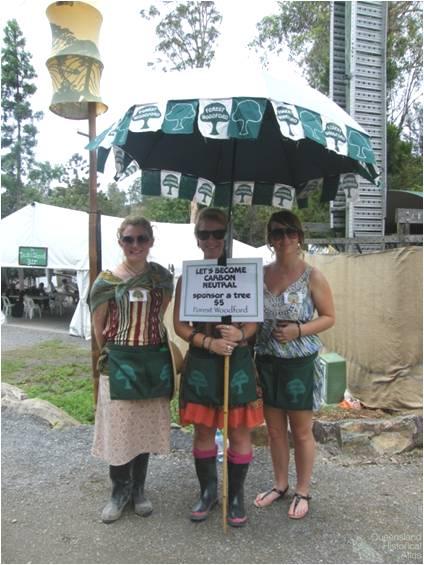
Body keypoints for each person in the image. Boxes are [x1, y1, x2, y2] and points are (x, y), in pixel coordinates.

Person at [173, 208, 263, 527]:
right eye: (204, 234)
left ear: (226, 235)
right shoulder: (188, 278)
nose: (210, 239)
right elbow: (180, 326)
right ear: (197, 238)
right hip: (202, 359)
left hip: (235, 359)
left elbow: (253, 320)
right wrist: (208, 342)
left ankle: (235, 496)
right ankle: (208, 491)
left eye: (216, 233)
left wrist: (241, 333)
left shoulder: (246, 274)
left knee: (238, 430)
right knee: (203, 430)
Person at [89, 215, 175, 524]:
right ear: (120, 242)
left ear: (151, 241)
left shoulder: (162, 279)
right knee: (119, 431)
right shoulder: (106, 282)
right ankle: (118, 491)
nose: (135, 245)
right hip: (120, 363)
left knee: (143, 430)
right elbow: (98, 328)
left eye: (141, 238)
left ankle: (139, 489)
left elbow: (161, 314)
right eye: (129, 239)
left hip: (153, 360)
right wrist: (120, 350)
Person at [253, 210, 335, 519]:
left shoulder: (312, 276)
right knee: (274, 430)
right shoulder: (259, 274)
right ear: (269, 238)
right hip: (267, 359)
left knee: (301, 430)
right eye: (276, 232)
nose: (284, 238)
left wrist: (297, 330)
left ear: (299, 236)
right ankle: (279, 484)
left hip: (300, 362)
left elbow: (329, 317)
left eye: (289, 231)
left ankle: (303, 490)